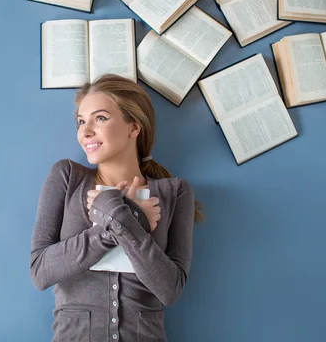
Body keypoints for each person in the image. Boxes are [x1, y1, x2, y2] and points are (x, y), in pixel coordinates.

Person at [30, 74, 201, 341]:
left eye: (100, 118)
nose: (86, 131)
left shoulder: (175, 192)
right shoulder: (67, 177)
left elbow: (169, 290)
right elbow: (40, 272)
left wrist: (113, 213)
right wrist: (123, 220)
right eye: (81, 121)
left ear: (133, 127)